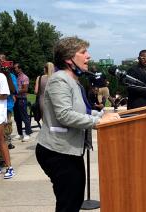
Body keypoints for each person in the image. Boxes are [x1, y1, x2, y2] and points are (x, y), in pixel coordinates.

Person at [35, 36, 120, 212]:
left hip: (69, 150)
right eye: (83, 52)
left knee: (72, 200)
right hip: (57, 152)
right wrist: (99, 122)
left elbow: (81, 111)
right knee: (69, 203)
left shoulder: (73, 81)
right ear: (68, 58)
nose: (88, 56)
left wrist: (104, 113)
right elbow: (65, 115)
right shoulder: (60, 80)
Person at [13, 63, 32, 141]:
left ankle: (27, 133)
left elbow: (25, 89)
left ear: (20, 69)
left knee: (24, 117)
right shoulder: (16, 77)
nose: (14, 69)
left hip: (22, 99)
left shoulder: (24, 77)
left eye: (16, 68)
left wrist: (15, 91)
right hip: (16, 99)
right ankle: (20, 133)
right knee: (17, 117)